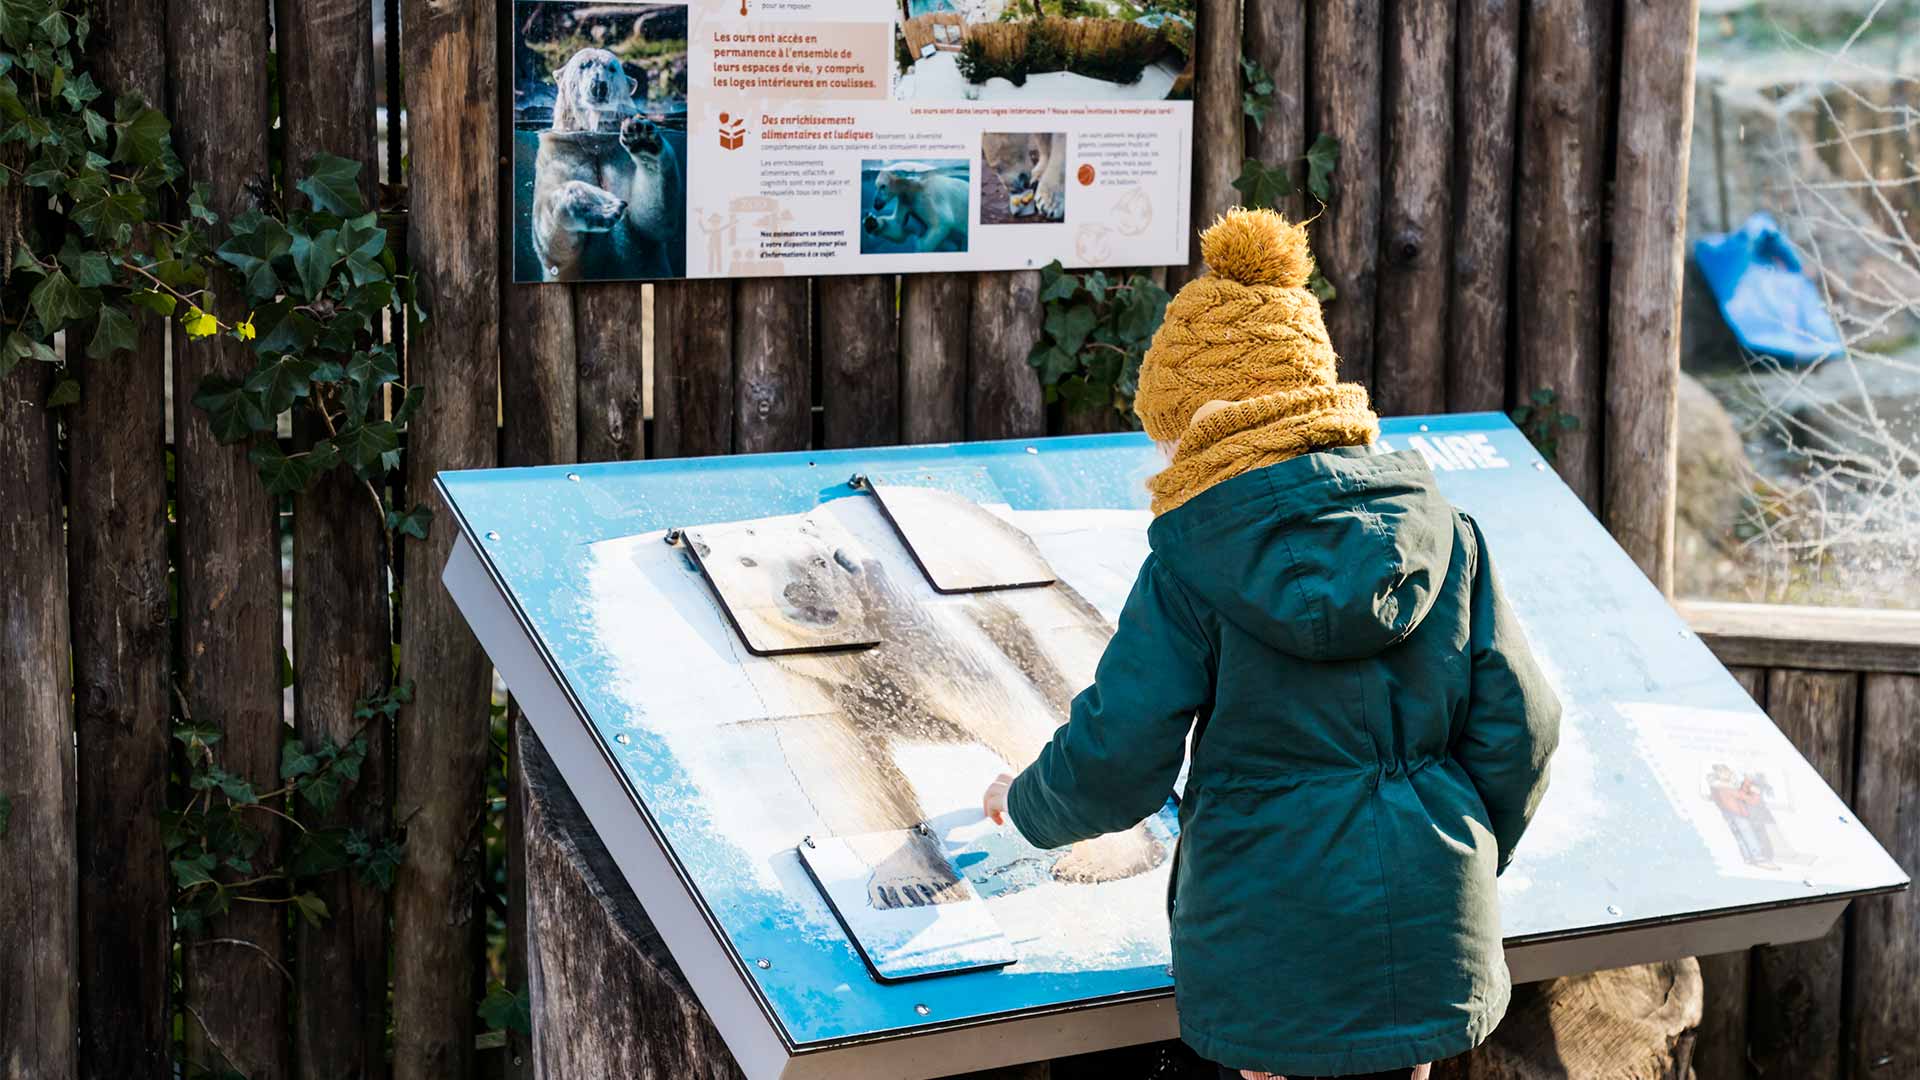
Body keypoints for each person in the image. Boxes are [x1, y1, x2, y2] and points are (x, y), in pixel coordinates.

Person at [981, 208, 1562, 1080]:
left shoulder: (1190, 566)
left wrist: (1027, 806)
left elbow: (1121, 752)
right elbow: (1526, 727)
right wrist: (1453, 850)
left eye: (1167, 436)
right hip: (1428, 934)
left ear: (1201, 421)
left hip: (1269, 948)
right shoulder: (1448, 537)